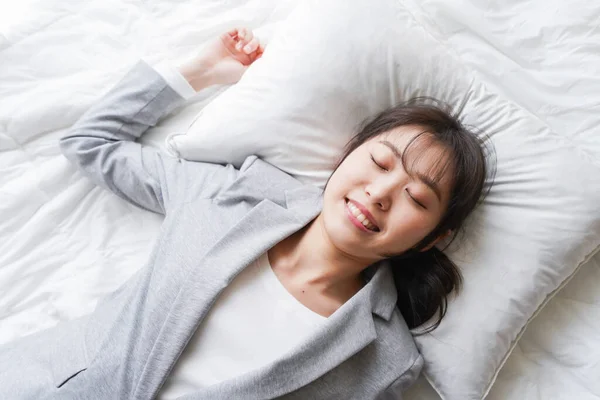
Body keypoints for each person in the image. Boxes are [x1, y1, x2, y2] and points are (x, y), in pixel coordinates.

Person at [0, 27, 489, 399]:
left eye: (417, 199)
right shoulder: (233, 194)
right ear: (346, 155)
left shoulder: (388, 360)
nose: (381, 193)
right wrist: (202, 71)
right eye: (379, 162)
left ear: (431, 239)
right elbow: (90, 143)